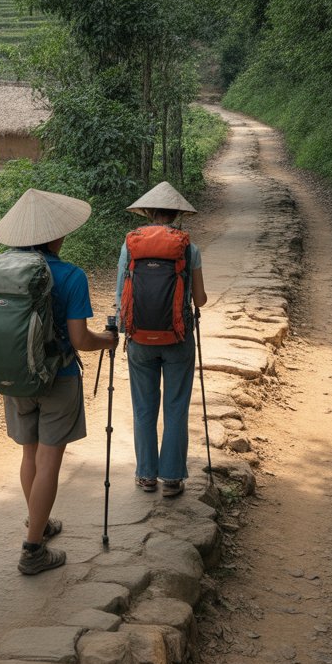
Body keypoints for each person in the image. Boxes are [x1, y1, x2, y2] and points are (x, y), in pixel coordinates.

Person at [0, 188, 118, 575]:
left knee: (29, 454)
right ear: (55, 235)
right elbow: (79, 339)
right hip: (59, 378)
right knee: (49, 461)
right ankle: (32, 549)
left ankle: (38, 524)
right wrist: (106, 341)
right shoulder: (72, 276)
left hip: (16, 378)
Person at [116, 181, 208, 498]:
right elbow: (200, 299)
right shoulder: (188, 248)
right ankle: (171, 478)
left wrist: (122, 328)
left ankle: (145, 475)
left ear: (148, 212)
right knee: (176, 406)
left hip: (139, 339)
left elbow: (120, 295)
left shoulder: (131, 246)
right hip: (177, 339)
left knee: (143, 408)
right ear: (176, 215)